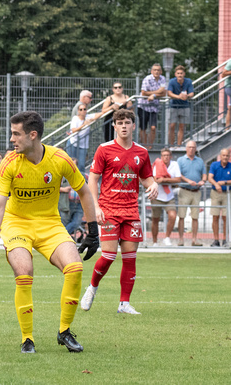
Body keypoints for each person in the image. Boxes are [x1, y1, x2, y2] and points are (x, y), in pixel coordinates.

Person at [0, 111, 99, 354]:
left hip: (50, 224)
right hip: (17, 224)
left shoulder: (60, 159)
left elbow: (85, 191)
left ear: (32, 135)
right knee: (24, 272)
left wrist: (93, 231)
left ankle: (64, 332)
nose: (12, 139)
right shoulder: (9, 163)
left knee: (75, 268)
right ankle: (27, 339)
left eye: (16, 134)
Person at [81, 109, 158, 316]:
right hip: (109, 210)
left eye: (127, 122)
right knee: (108, 255)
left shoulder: (141, 152)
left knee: (130, 258)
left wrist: (153, 184)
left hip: (131, 211)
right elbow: (93, 180)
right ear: (114, 126)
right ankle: (92, 288)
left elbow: (146, 177)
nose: (124, 126)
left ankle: (124, 304)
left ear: (133, 125)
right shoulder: (104, 149)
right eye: (120, 122)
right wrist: (96, 207)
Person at [177, 140, 206, 247]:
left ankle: (194, 239)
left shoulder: (200, 161)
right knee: (181, 216)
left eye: (193, 147)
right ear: (186, 148)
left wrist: (203, 180)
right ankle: (181, 239)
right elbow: (178, 174)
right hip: (184, 190)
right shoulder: (181, 160)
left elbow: (204, 174)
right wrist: (188, 181)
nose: (191, 149)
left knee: (195, 217)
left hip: (196, 192)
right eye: (190, 147)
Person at [151, 148, 181, 247]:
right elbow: (156, 178)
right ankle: (155, 241)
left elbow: (178, 179)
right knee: (155, 219)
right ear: (161, 156)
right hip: (157, 195)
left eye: (168, 155)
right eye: (164, 155)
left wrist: (164, 179)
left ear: (171, 156)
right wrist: (167, 180)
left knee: (173, 216)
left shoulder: (174, 164)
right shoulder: (157, 164)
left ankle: (167, 237)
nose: (166, 157)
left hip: (169, 196)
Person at [67, 103, 105, 173]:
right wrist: (84, 125)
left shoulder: (88, 117)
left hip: (83, 145)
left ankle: (82, 181)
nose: (83, 111)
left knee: (81, 165)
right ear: (78, 111)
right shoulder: (75, 118)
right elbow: (73, 130)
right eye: (81, 109)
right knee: (71, 164)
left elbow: (100, 114)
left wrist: (92, 119)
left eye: (84, 109)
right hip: (73, 143)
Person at [139, 63, 167, 149]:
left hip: (154, 107)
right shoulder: (147, 79)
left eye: (158, 70)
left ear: (161, 71)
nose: (156, 71)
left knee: (153, 127)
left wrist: (153, 96)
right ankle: (144, 145)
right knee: (143, 128)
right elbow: (143, 93)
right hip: (143, 106)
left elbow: (164, 93)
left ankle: (150, 146)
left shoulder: (162, 79)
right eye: (154, 70)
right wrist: (157, 91)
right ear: (151, 71)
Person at [207, 149, 231, 247]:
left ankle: (225, 239)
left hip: (227, 193)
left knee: (226, 217)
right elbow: (210, 178)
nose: (225, 157)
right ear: (220, 156)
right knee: (215, 216)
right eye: (223, 155)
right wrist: (216, 185)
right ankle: (216, 240)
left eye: (227, 155)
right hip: (216, 193)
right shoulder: (214, 165)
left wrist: (224, 183)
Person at [167, 65, 195, 146]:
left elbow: (191, 93)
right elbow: (169, 93)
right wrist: (178, 97)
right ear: (175, 74)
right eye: (178, 73)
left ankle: (179, 145)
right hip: (174, 106)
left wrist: (187, 96)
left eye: (181, 73)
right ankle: (171, 145)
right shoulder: (172, 81)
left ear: (184, 74)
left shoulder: (188, 81)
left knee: (182, 127)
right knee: (172, 126)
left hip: (185, 106)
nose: (180, 75)